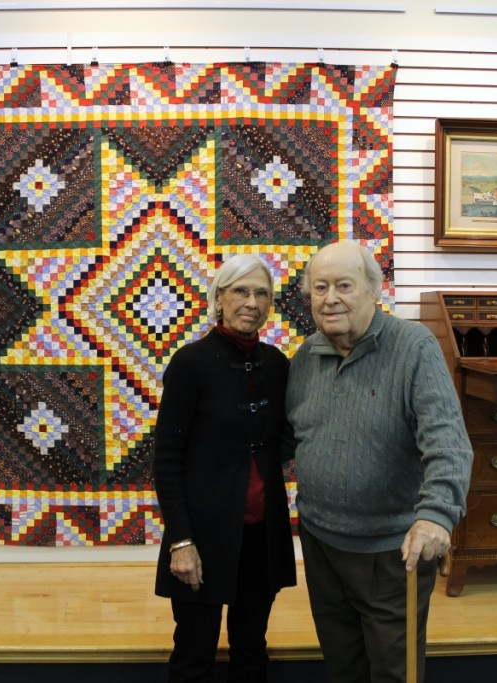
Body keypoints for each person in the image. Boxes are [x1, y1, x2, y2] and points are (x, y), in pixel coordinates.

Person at [286, 240, 473, 683]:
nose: (330, 298)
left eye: (344, 285)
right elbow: (287, 438)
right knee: (343, 667)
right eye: (320, 287)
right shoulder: (305, 356)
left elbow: (448, 441)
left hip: (392, 553)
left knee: (395, 671)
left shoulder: (414, 349)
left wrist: (436, 515)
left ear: (375, 289)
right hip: (321, 544)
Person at [154, 253, 297, 682]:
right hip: (201, 537)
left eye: (261, 293)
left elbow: (288, 430)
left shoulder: (277, 364)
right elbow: (166, 457)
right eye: (240, 291)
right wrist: (180, 540)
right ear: (219, 299)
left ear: (270, 304)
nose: (251, 302)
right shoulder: (191, 363)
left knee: (251, 650)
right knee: (194, 653)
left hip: (261, 535)